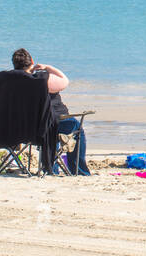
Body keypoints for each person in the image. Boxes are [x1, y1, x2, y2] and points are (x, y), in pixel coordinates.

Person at [13, 48, 89, 176]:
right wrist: (48, 67)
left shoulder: (10, 82)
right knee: (75, 129)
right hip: (47, 127)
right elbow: (64, 80)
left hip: (23, 129)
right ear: (31, 61)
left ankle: (52, 168)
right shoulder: (42, 80)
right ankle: (79, 171)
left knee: (51, 129)